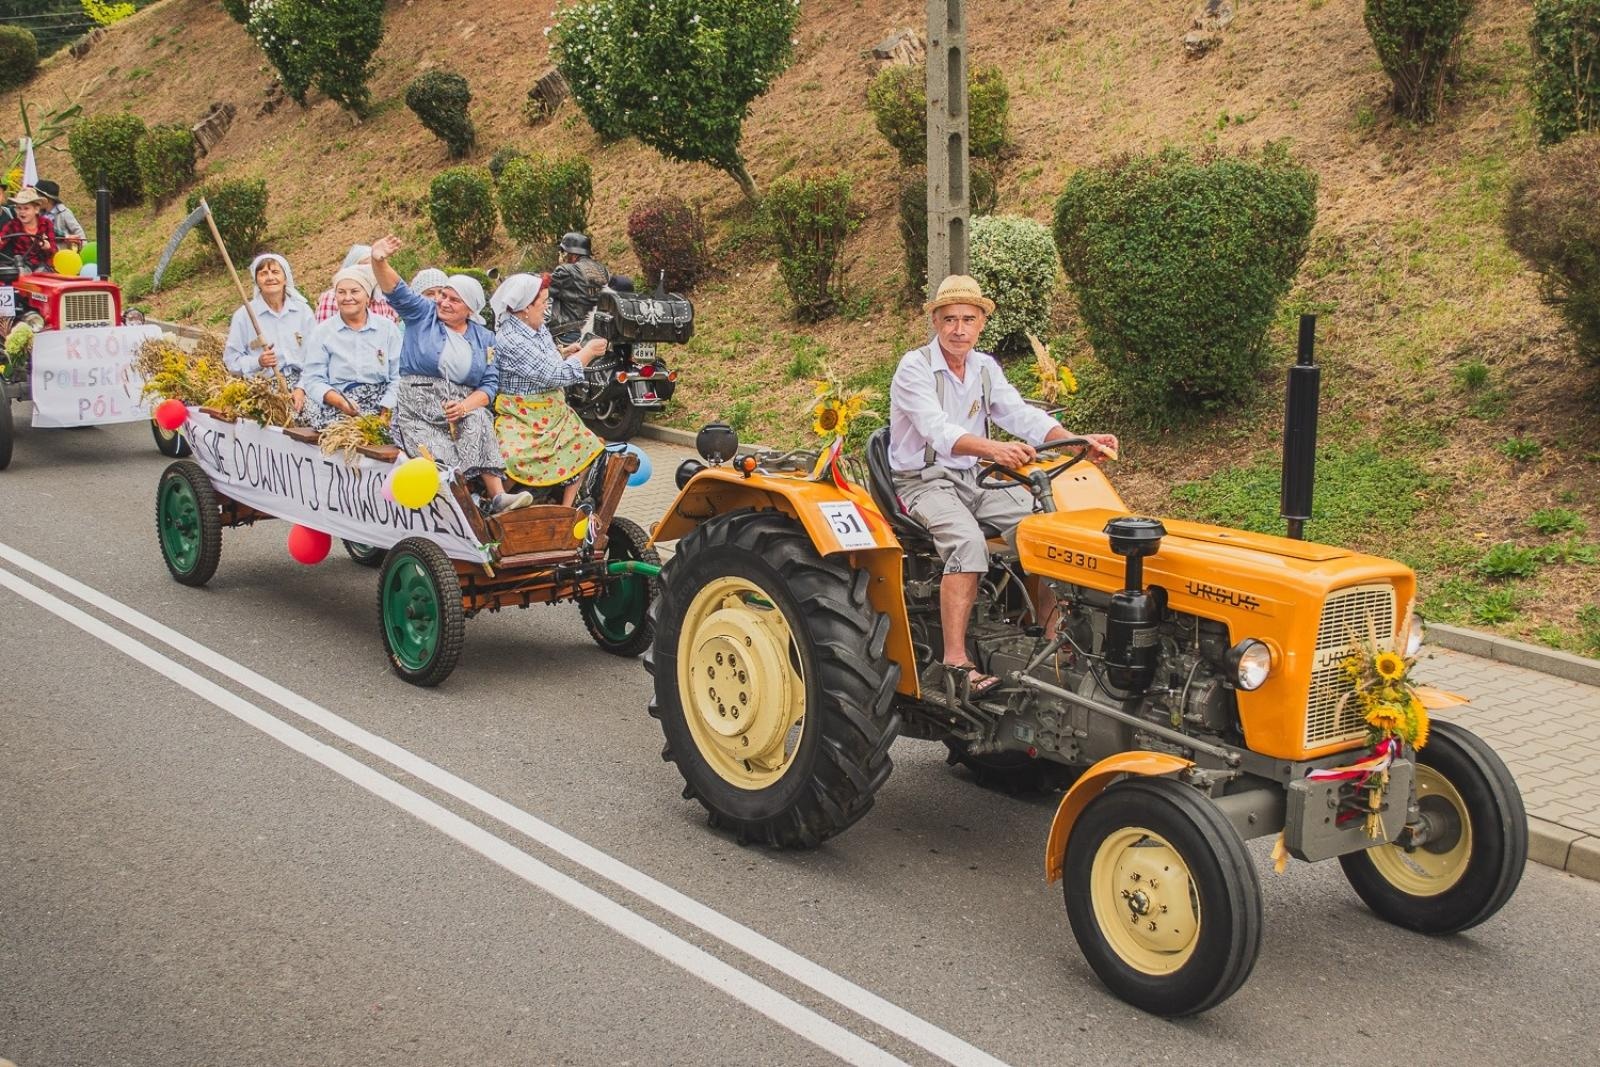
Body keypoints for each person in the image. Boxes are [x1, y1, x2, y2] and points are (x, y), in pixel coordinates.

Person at [889, 275, 1117, 697]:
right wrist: (994, 449)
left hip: (973, 476)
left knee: (1048, 533)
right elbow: (937, 431)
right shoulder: (914, 368)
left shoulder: (984, 367)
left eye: (968, 320)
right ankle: (955, 662)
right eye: (950, 319)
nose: (959, 329)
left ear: (981, 325)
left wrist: (1075, 441)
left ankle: (1053, 644)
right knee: (967, 544)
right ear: (936, 323)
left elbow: (1021, 415)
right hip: (923, 481)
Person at [367, 234, 533, 516]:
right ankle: (467, 507)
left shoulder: (485, 338)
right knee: (441, 458)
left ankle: (497, 497)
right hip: (419, 406)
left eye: (454, 300)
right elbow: (396, 290)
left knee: (480, 417)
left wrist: (465, 406)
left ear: (470, 308)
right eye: (443, 295)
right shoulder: (423, 314)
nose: (443, 302)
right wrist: (378, 260)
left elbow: (490, 384)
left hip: (459, 407)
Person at [489, 273, 609, 506]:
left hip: (554, 412)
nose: (546, 308)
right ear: (525, 307)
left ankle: (568, 508)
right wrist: (588, 352)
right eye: (543, 302)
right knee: (515, 459)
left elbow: (545, 362)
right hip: (522, 414)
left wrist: (564, 353)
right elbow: (557, 375)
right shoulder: (511, 338)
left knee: (587, 447)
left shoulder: (536, 328)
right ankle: (496, 503)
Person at [296, 267, 402, 430]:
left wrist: (386, 411)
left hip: (382, 405)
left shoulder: (387, 329)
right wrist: (340, 401)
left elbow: (398, 376)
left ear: (367, 296)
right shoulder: (323, 332)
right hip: (340, 404)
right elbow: (313, 379)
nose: (348, 298)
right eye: (341, 292)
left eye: (354, 291)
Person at [222, 253, 316, 383]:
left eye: (275, 272)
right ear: (257, 281)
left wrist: (302, 388)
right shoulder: (244, 315)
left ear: (285, 278)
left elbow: (316, 356)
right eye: (263, 273)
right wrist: (258, 362)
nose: (270, 277)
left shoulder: (302, 311)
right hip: (264, 385)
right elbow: (231, 361)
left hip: (304, 381)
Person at [546, 231, 609, 345]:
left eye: (563, 252)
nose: (562, 256)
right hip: (599, 332)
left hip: (570, 335)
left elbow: (544, 294)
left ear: (573, 254)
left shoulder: (565, 271)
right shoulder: (602, 270)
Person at [314, 244, 399, 324]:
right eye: (365, 266)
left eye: (375, 267)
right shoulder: (332, 298)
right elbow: (323, 334)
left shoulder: (383, 299)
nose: (371, 271)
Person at [0, 188, 58, 273]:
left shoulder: (46, 223)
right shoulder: (12, 225)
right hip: (21, 265)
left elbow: (54, 250)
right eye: (19, 208)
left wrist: (47, 247)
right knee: (19, 272)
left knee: (43, 271)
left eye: (26, 208)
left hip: (43, 266)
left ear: (36, 209)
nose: (22, 212)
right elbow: (2, 240)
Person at [33, 180, 85, 250]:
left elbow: (78, 231)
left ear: (47, 199)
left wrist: (83, 249)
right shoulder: (38, 214)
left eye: (38, 197)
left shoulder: (64, 213)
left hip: (61, 253)